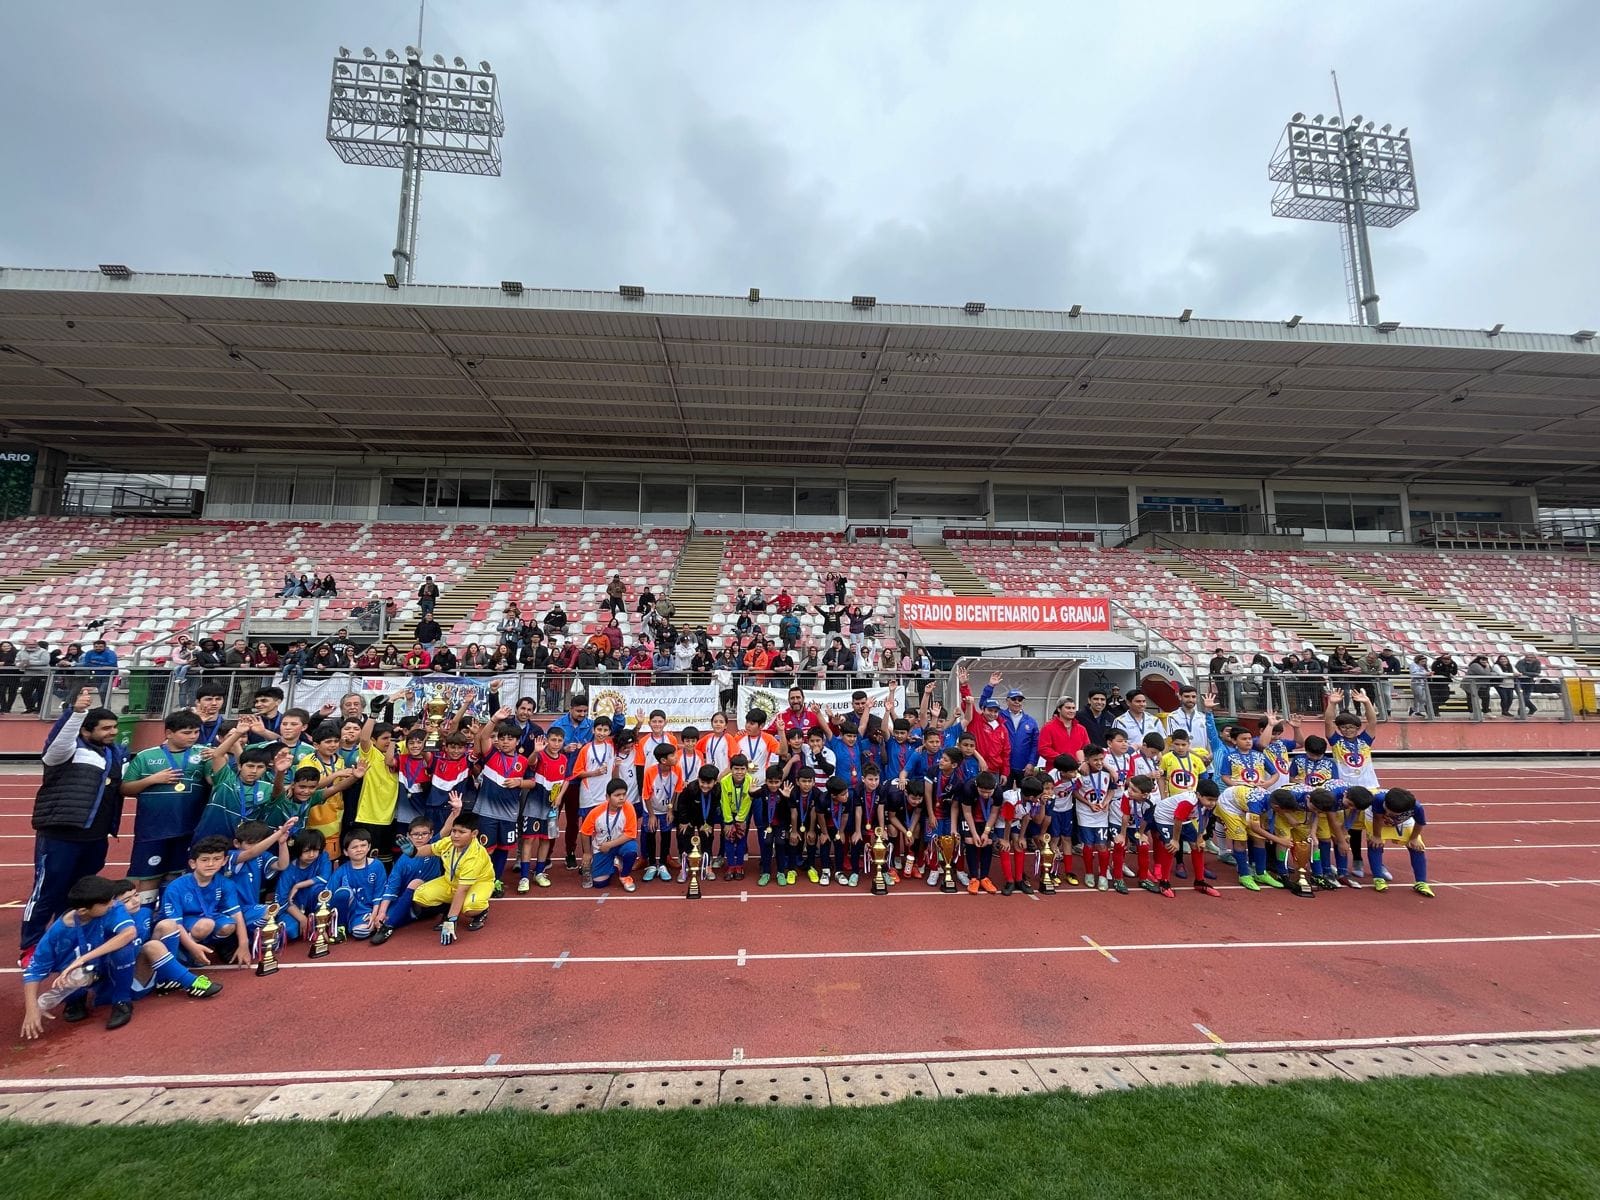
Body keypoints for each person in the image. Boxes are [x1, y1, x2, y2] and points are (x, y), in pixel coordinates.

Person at [21, 689, 127, 960]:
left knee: (79, 894)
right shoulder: (67, 751)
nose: (112, 732)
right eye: (105, 728)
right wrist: (77, 712)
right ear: (86, 730)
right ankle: (31, 944)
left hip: (95, 837)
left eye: (115, 727)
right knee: (47, 891)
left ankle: (63, 938)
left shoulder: (115, 755)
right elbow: (58, 743)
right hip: (60, 833)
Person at [410, 799, 494, 938]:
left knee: (470, 908)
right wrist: (413, 851)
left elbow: (463, 889)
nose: (455, 835)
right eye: (454, 830)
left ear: (474, 834)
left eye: (462, 832)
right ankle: (449, 909)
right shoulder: (449, 841)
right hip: (451, 881)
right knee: (420, 896)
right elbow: (431, 849)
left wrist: (452, 920)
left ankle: (481, 911)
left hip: (477, 884)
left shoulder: (475, 856)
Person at [367, 817, 445, 945]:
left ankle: (389, 926)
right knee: (377, 922)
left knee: (416, 882)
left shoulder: (434, 846)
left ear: (431, 834)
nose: (420, 837)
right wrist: (381, 913)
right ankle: (397, 919)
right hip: (406, 900)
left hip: (431, 901)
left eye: (424, 834)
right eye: (415, 834)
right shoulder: (402, 861)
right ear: (408, 836)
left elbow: (446, 829)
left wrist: (456, 811)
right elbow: (392, 887)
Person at [1363, 787, 1434, 897]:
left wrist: (1414, 838)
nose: (1388, 812)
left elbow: (1420, 823)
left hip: (1404, 821)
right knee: (1375, 843)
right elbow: (1377, 819)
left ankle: (1421, 882)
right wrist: (1377, 836)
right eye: (1387, 809)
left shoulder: (1417, 807)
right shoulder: (1378, 799)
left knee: (1417, 847)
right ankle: (1378, 878)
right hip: (1375, 818)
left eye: (1392, 813)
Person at [581, 779, 639, 891]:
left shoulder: (629, 808)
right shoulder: (596, 812)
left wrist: (610, 845)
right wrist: (587, 853)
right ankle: (614, 863)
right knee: (599, 883)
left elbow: (630, 834)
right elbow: (584, 832)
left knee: (632, 849)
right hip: (602, 848)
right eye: (617, 795)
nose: (622, 798)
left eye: (624, 794)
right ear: (607, 797)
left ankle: (625, 876)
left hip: (620, 844)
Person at [81, 638, 118, 703]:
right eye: (96, 647)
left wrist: (95, 662)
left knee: (103, 691)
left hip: (109, 674)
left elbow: (112, 664)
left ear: (105, 647)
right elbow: (86, 664)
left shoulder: (110, 653)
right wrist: (101, 666)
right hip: (97, 674)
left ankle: (106, 707)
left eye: (100, 647)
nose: (98, 648)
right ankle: (104, 706)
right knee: (101, 692)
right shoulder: (89, 653)